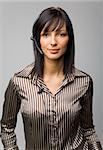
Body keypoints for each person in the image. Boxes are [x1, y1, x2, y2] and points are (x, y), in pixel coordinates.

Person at [0, 7, 102, 150]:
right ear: (37, 39)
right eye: (46, 34)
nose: (53, 42)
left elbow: (88, 129)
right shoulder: (19, 81)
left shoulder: (84, 82)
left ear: (69, 39)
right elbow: (6, 129)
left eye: (61, 34)